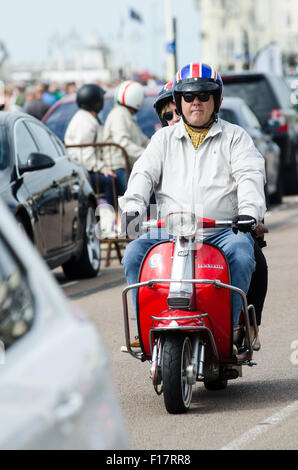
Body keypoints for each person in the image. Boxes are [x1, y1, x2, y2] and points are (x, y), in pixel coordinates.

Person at [120, 62, 267, 351]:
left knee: (241, 253)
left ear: (217, 100)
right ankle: (144, 327)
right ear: (178, 101)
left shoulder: (236, 137)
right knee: (133, 254)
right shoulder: (162, 139)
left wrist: (249, 212)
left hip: (223, 230)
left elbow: (250, 175)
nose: (196, 102)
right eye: (188, 97)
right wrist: (133, 209)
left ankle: (234, 325)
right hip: (169, 229)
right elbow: (142, 175)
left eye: (204, 95)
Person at [102, 80, 149, 207]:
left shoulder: (125, 115)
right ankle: (132, 226)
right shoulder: (119, 115)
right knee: (135, 201)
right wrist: (146, 155)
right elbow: (122, 142)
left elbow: (144, 140)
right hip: (120, 168)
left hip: (128, 166)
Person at [64, 83, 116, 196]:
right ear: (95, 101)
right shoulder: (85, 122)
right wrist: (103, 168)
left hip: (86, 168)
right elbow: (85, 154)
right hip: (83, 171)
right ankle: (113, 213)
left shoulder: (88, 117)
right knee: (111, 180)